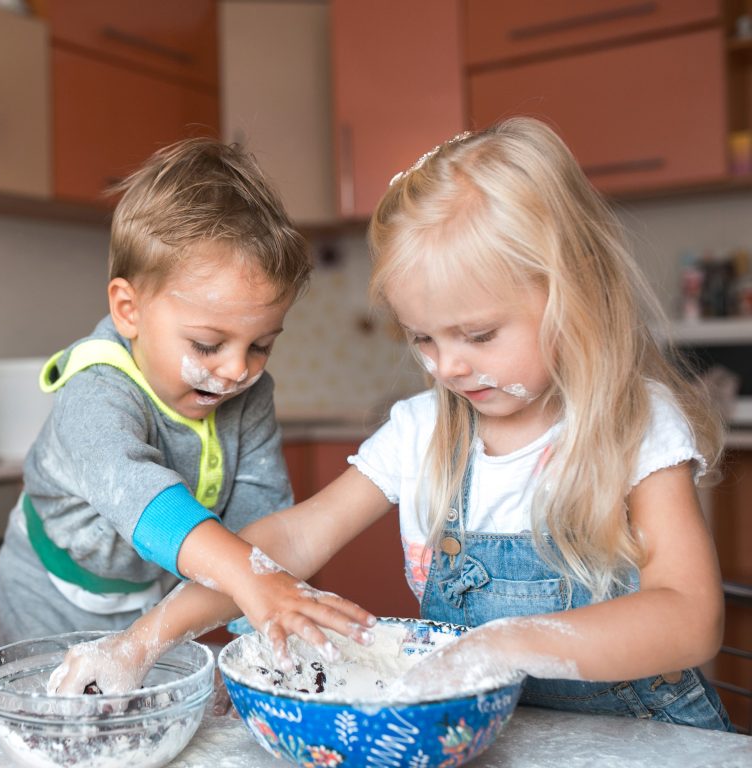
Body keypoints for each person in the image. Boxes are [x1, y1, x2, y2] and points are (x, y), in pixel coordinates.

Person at [49, 118, 732, 732]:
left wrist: (505, 644)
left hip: (650, 741)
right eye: (424, 340)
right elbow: (285, 539)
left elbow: (690, 617)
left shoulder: (634, 422)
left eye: (479, 334)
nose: (448, 368)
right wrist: (143, 641)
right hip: (498, 739)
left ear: (573, 294)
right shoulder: (424, 432)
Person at [0, 136, 374, 651]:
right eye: (208, 344)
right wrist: (250, 579)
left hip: (149, 590)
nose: (238, 370)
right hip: (47, 591)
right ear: (129, 310)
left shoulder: (248, 396)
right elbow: (137, 492)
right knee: (57, 714)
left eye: (261, 344)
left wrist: (263, 633)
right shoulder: (97, 390)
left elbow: (257, 523)